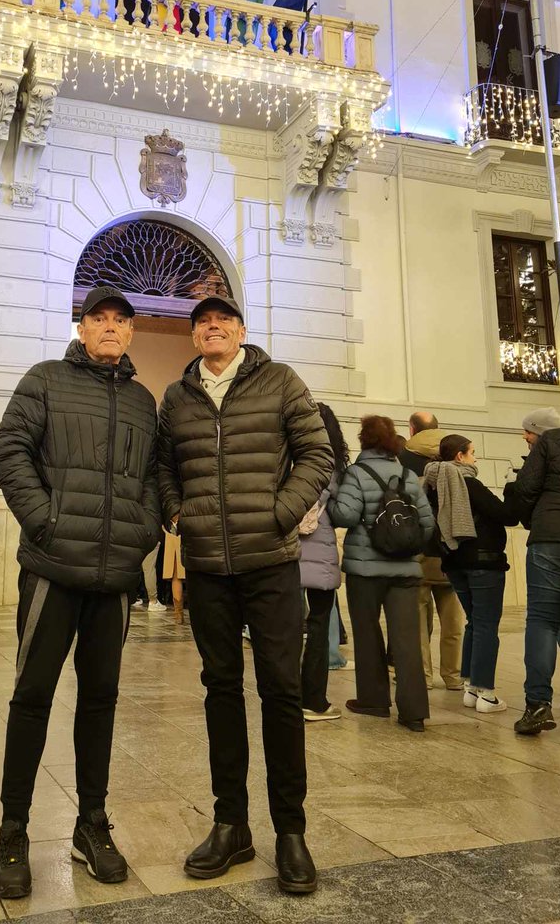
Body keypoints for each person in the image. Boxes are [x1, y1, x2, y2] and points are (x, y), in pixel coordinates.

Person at [0, 286, 161, 898]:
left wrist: (143, 532)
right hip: (52, 569)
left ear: (130, 332)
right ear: (81, 328)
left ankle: (91, 823)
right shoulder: (44, 380)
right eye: (99, 319)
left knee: (101, 702)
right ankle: (13, 830)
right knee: (31, 698)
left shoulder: (144, 402)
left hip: (113, 579)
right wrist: (46, 521)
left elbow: (154, 482)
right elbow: (9, 454)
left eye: (120, 320)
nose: (110, 328)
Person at [157, 295, 332, 895]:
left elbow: (318, 454)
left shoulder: (280, 381)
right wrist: (178, 513)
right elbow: (163, 468)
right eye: (204, 322)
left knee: (281, 691)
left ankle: (291, 831)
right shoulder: (177, 398)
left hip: (272, 564)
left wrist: (282, 513)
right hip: (208, 566)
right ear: (194, 334)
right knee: (220, 690)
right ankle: (231, 823)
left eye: (224, 320)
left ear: (241, 331)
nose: (214, 328)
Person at [330, 415, 435, 732]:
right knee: (407, 640)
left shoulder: (357, 474)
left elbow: (345, 515)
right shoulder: (407, 475)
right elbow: (427, 525)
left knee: (367, 633)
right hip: (404, 570)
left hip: (365, 569)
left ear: (364, 440)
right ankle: (414, 712)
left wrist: (335, 500)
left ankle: (374, 701)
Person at [422, 434, 517, 712]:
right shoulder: (468, 483)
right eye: (472, 452)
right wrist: (511, 486)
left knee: (474, 622)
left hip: (453, 563)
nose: (475, 458)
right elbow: (506, 515)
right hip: (483, 562)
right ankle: (486, 693)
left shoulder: (433, 484)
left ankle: (470, 688)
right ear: (460, 456)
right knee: (486, 625)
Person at [508, 418, 560, 736]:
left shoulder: (551, 440)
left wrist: (535, 519)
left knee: (542, 622)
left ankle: (537, 706)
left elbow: (525, 488)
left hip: (551, 537)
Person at [400, 411, 464, 692]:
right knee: (452, 622)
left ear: (411, 429)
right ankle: (452, 676)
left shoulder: (403, 458)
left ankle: (423, 676)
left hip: (416, 549)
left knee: (417, 621)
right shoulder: (457, 454)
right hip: (451, 549)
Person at [299, 403, 348, 722]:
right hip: (321, 549)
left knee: (284, 627)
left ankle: (283, 696)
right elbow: (342, 510)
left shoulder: (288, 455)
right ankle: (313, 699)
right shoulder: (333, 464)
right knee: (319, 625)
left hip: (284, 548)